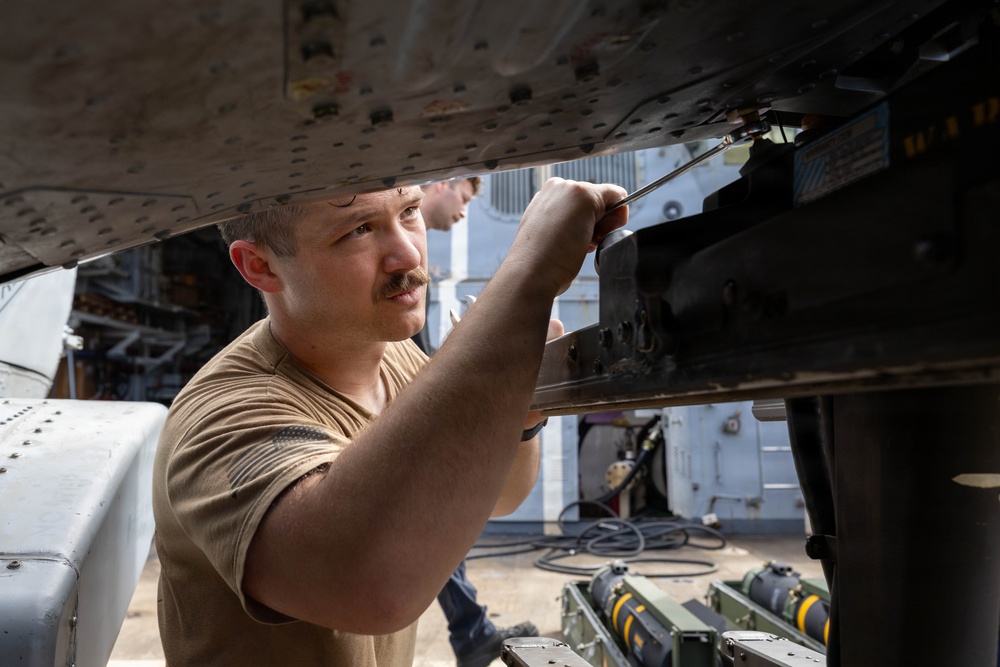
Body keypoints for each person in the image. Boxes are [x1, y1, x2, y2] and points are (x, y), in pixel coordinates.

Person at [151, 177, 628, 667]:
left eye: (409, 212)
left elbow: (502, 498)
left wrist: (517, 411)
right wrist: (529, 272)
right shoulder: (223, 417)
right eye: (358, 230)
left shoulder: (396, 357)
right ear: (261, 265)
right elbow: (369, 590)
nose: (408, 255)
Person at [416, 176, 539, 667]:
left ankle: (473, 634)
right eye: (464, 198)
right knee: (434, 519)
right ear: (442, 184)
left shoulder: (416, 249)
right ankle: (473, 636)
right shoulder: (408, 248)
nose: (465, 211)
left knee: (438, 518)